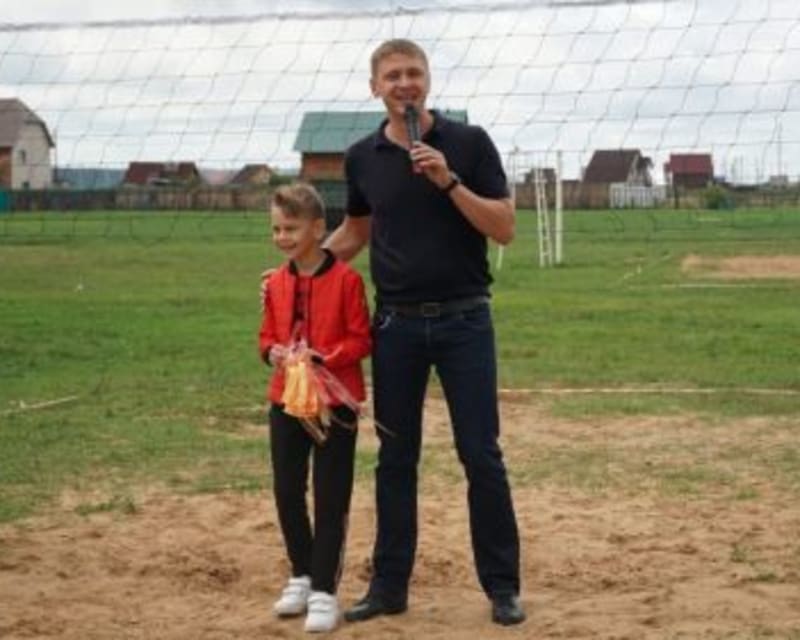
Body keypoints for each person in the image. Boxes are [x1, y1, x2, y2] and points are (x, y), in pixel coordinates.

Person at [323, 38, 525, 626]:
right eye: (392, 76)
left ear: (428, 80)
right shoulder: (361, 157)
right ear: (375, 87)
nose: (404, 83)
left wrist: (449, 181)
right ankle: (389, 586)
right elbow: (354, 233)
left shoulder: (469, 142)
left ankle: (502, 587)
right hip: (396, 327)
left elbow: (504, 227)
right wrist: (299, 274)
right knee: (395, 458)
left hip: (466, 321)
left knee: (481, 455)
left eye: (413, 73)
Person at [259, 182, 371, 633]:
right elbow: (266, 336)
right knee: (287, 490)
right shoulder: (275, 282)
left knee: (330, 496)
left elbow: (361, 339)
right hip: (287, 399)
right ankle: (302, 575)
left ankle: (325, 590)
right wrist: (272, 353)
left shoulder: (347, 280)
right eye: (276, 229)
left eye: (291, 228)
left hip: (335, 403)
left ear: (319, 229)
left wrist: (326, 357)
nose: (282, 237)